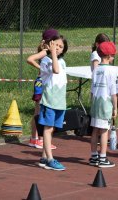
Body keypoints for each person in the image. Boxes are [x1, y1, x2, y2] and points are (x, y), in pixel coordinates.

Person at [27, 34, 68, 170]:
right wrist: (52, 53)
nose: (58, 48)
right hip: (49, 100)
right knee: (47, 128)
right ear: (50, 45)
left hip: (59, 100)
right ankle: (50, 159)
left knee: (53, 128)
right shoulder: (46, 60)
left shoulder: (62, 61)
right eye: (55, 45)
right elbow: (55, 70)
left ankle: (44, 157)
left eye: (61, 47)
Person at [27, 29, 59, 150]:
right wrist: (40, 68)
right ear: (49, 42)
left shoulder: (50, 53)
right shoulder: (45, 52)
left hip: (44, 84)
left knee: (38, 112)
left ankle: (34, 138)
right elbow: (30, 59)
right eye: (55, 43)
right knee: (40, 112)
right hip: (42, 85)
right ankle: (39, 139)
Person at [89, 41, 118, 168]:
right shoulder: (112, 71)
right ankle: (103, 157)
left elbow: (92, 89)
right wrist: (115, 108)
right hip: (105, 104)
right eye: (113, 55)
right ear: (108, 56)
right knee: (104, 130)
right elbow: (114, 92)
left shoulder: (96, 70)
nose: (113, 57)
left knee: (95, 130)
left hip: (95, 103)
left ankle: (94, 155)